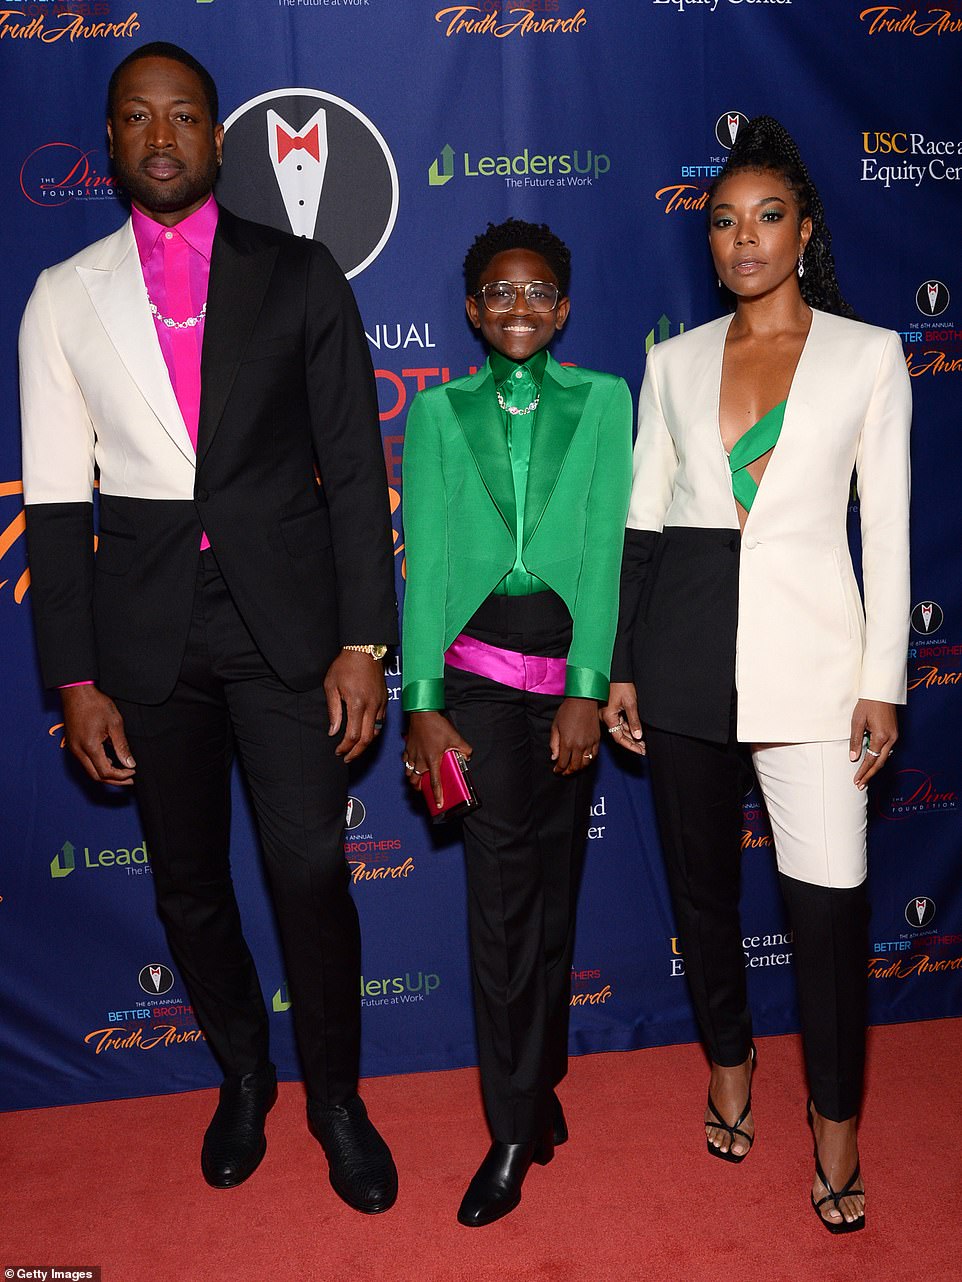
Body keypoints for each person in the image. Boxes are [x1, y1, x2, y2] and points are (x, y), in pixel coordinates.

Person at [19, 42, 399, 1214]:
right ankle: (244, 1074)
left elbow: (349, 461)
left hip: (285, 623)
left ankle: (335, 1093)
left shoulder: (297, 273)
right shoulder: (61, 294)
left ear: (219, 138)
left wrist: (362, 644)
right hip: (147, 637)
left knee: (309, 869)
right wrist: (72, 677)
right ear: (113, 142)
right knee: (185, 881)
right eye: (139, 117)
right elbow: (52, 499)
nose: (163, 134)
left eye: (184, 114)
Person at [605, 117, 910, 1233]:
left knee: (827, 915)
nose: (742, 240)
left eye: (765, 217)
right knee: (702, 896)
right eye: (723, 221)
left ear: (803, 229)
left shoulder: (868, 354)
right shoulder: (671, 360)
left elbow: (888, 530)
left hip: (818, 679)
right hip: (682, 663)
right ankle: (727, 1062)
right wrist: (623, 664)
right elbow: (641, 524)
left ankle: (834, 1123)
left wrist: (882, 678)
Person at [400, 219, 632, 1226]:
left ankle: (537, 1084)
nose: (518, 306)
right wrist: (421, 703)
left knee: (553, 887)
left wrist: (588, 682)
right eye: (498, 290)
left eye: (537, 290)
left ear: (564, 306)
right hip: (480, 682)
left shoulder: (605, 401)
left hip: (565, 682)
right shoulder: (439, 412)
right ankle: (506, 1127)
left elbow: (603, 546)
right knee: (500, 904)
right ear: (470, 308)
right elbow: (424, 574)